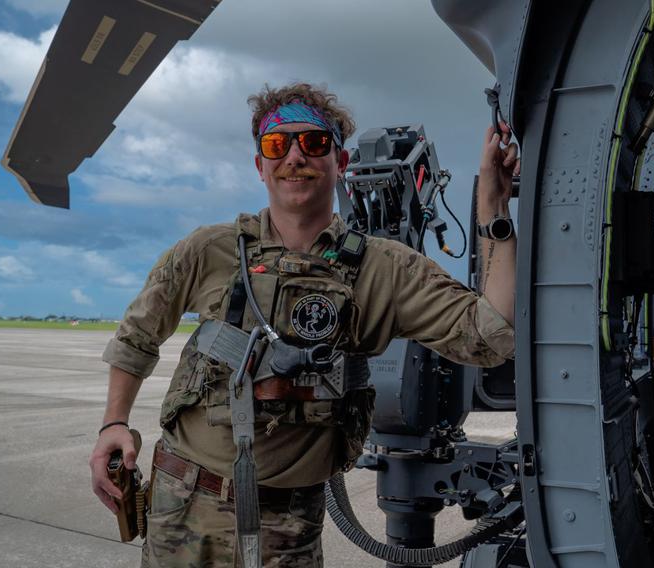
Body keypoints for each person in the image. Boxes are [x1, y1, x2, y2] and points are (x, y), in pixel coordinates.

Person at [88, 82, 518, 567]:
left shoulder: (385, 269)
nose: (295, 156)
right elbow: (137, 337)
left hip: (289, 522)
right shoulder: (209, 249)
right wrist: (114, 423)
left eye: (313, 143)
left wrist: (493, 204)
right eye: (277, 145)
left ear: (341, 162)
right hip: (185, 505)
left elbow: (491, 334)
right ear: (260, 166)